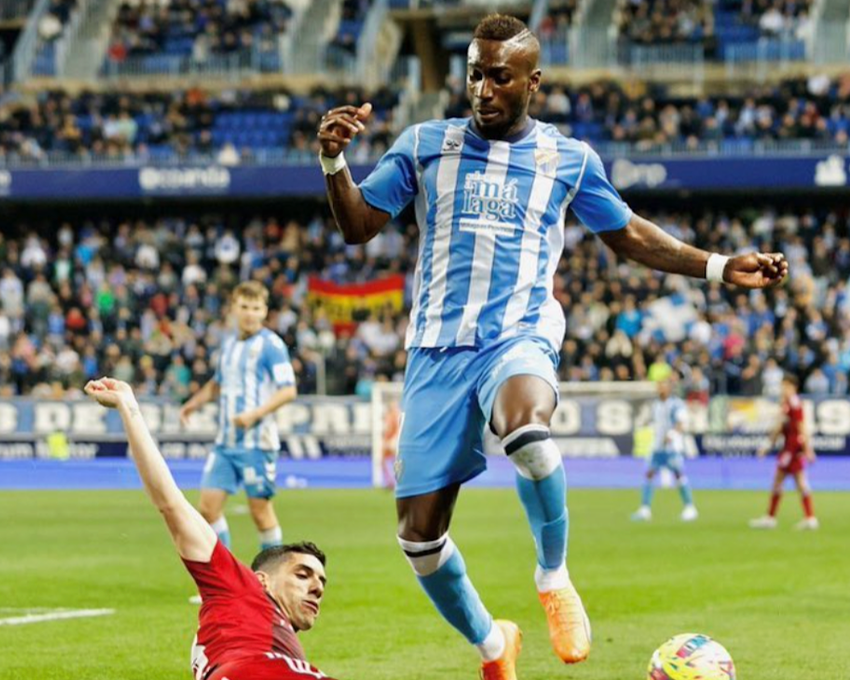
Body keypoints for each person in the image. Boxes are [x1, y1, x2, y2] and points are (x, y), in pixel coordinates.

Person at [316, 13, 787, 677]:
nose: (482, 90)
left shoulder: (568, 159)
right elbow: (359, 224)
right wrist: (334, 161)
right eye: (474, 75)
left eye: (498, 77)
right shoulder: (425, 144)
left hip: (519, 333)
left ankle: (553, 576)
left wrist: (717, 266)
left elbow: (627, 234)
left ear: (532, 82)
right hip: (436, 352)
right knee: (419, 539)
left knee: (529, 433)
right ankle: (492, 645)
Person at [84, 377, 334, 680]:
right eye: (303, 574)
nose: (317, 588)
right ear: (261, 581)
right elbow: (171, 503)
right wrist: (128, 406)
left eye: (321, 582)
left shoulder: (273, 640)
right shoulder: (239, 587)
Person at [179, 281, 297, 601]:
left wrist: (255, 414)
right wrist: (193, 403)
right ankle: (227, 582)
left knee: (260, 512)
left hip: (257, 443)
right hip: (226, 443)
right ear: (233, 309)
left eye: (256, 308)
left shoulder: (271, 346)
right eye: (244, 307)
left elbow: (288, 390)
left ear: (265, 311)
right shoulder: (229, 345)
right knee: (207, 508)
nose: (250, 314)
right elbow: (217, 384)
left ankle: (273, 585)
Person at [750, 373, 818, 530]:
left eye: (786, 386)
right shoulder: (787, 403)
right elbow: (781, 427)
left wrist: (808, 449)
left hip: (792, 448)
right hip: (790, 447)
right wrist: (768, 444)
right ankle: (808, 517)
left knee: (783, 479)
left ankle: (772, 517)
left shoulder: (793, 403)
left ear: (793, 387)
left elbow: (800, 426)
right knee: (796, 482)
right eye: (782, 386)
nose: (783, 389)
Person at [631, 378, 697, 522]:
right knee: (649, 474)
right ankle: (645, 509)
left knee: (678, 474)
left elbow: (681, 423)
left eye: (663, 386)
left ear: (669, 388)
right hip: (657, 447)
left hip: (672, 447)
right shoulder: (655, 404)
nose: (660, 389)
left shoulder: (676, 404)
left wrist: (671, 434)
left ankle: (690, 507)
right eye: (658, 386)